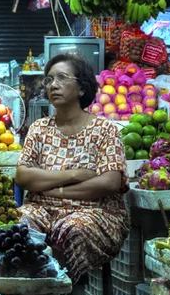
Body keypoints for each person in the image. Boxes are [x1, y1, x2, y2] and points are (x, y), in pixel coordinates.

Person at [15, 53, 129, 282]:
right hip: (42, 209)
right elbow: (23, 176)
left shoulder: (105, 130)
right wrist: (74, 174)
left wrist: (57, 190)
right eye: (48, 80)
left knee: (71, 229)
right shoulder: (39, 129)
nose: (53, 85)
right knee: (18, 225)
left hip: (96, 213)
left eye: (62, 78)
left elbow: (109, 182)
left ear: (81, 88)